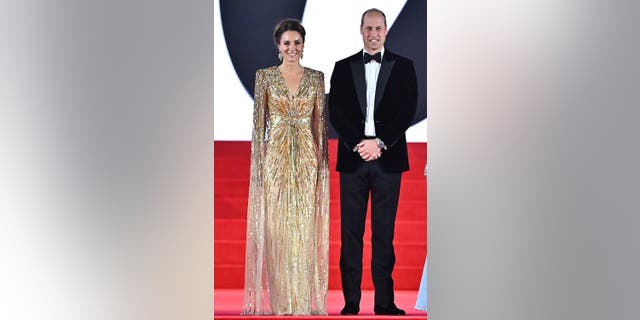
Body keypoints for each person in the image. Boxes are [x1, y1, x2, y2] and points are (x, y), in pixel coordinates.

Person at [329, 8, 418, 316]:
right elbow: (336, 111)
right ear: (361, 30)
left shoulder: (404, 67)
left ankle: (384, 302)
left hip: (387, 158)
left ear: (386, 30)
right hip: (353, 159)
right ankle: (350, 302)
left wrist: (379, 143)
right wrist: (360, 143)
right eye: (368, 28)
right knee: (350, 234)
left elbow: (407, 110)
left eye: (378, 28)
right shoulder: (342, 67)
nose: (373, 33)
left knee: (384, 233)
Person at [241, 19, 329, 316]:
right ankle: (281, 302)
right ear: (278, 46)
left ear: (304, 45)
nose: (292, 48)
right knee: (277, 229)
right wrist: (259, 166)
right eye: (287, 43)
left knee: (303, 226)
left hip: (306, 157)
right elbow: (258, 127)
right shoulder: (264, 77)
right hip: (275, 158)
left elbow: (320, 125)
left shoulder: (317, 78)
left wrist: (322, 165)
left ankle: (302, 300)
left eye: (297, 42)